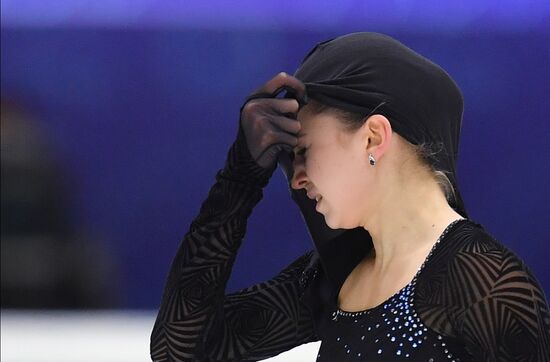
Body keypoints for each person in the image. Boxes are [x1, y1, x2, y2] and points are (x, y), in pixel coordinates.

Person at [150, 32, 550, 361]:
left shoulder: (485, 282)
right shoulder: (337, 276)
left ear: (373, 137)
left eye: (302, 152)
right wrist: (240, 176)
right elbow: (178, 348)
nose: (295, 180)